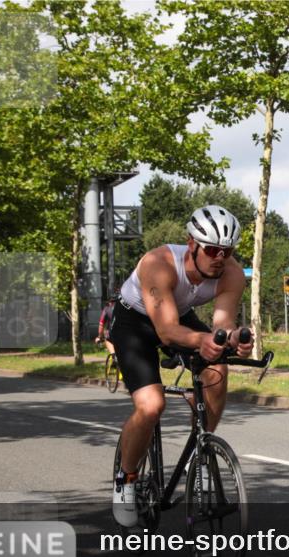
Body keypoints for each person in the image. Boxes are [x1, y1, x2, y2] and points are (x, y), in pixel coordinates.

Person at [108, 205, 254, 528]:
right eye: (213, 250)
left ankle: (199, 456)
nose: (220, 257)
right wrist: (201, 341)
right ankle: (126, 479)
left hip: (178, 315)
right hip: (136, 323)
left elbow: (221, 325)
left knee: (216, 371)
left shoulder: (231, 273)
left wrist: (233, 340)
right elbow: (166, 331)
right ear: (192, 244)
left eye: (227, 251)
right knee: (151, 405)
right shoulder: (158, 265)